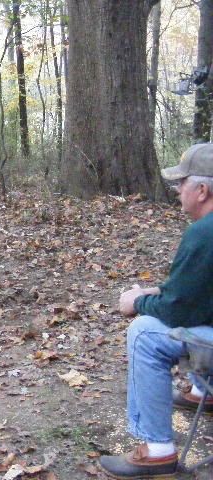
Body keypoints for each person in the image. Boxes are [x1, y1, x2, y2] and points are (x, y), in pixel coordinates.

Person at [99, 142, 213, 479]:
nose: (177, 191)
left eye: (182, 183)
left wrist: (136, 302)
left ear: (202, 190)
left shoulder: (205, 232)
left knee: (145, 332)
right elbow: (196, 291)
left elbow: (178, 312)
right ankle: (203, 391)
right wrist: (160, 290)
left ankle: (158, 451)